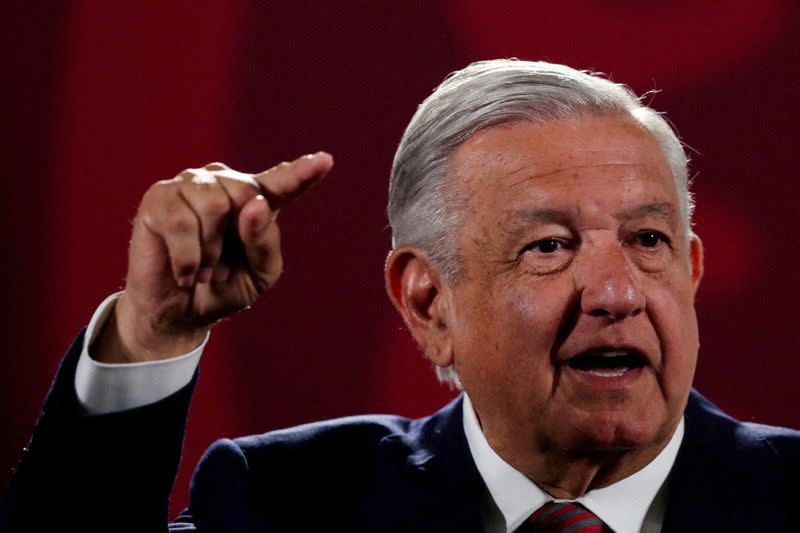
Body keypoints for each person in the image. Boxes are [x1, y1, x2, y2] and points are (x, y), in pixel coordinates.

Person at [2, 59, 799, 532]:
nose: (618, 291)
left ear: (690, 271)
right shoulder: (288, 504)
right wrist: (150, 337)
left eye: (648, 240)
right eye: (549, 245)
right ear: (428, 303)